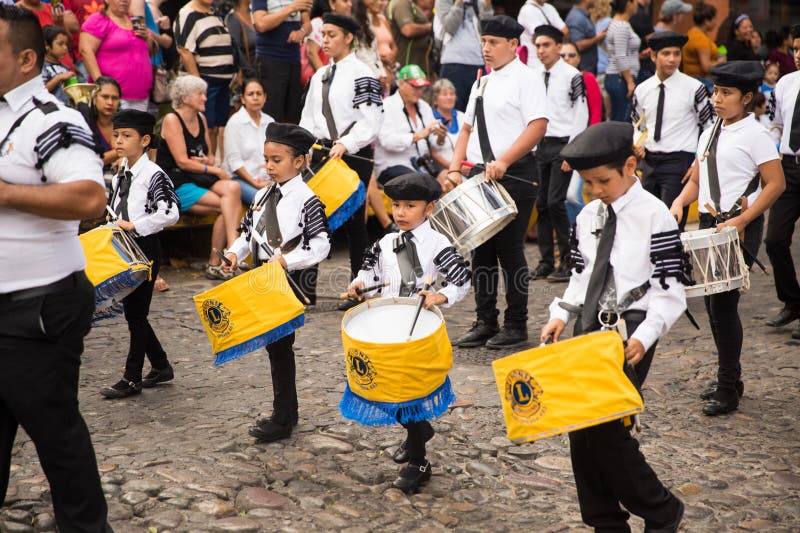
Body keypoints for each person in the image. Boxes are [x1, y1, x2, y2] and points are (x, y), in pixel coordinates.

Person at [541, 120, 688, 533]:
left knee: (608, 431)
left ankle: (661, 510)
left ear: (629, 166)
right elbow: (580, 275)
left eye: (603, 181)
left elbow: (670, 289)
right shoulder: (588, 214)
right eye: (588, 183)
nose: (596, 191)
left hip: (632, 329)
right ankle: (604, 521)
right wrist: (560, 313)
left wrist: (644, 336)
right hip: (587, 325)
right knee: (579, 428)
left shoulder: (655, 214)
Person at [0, 6, 110, 530]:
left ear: (25, 58)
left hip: (37, 306)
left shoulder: (54, 119)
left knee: (55, 432)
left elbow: (90, 196)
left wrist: (5, 194)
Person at [670, 61, 785, 415]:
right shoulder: (710, 132)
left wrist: (743, 220)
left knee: (723, 304)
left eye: (726, 93)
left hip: (739, 226)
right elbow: (696, 179)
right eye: (716, 91)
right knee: (711, 304)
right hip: (708, 223)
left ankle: (727, 386)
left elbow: (776, 184)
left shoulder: (756, 135)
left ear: (747, 98)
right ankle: (730, 378)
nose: (717, 99)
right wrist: (678, 203)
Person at [345, 172, 471, 494]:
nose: (400, 213)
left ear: (428, 209)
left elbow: (462, 279)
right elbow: (368, 270)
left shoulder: (438, 244)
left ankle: (420, 461)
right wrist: (359, 284)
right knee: (389, 388)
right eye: (395, 205)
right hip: (389, 326)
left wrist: (440, 295)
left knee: (411, 393)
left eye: (409, 206)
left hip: (418, 331)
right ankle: (420, 430)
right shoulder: (385, 242)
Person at [224, 123, 331, 442]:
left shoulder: (307, 198)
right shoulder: (261, 193)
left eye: (276, 160)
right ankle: (287, 412)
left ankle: (283, 418)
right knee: (274, 347)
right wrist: (233, 253)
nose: (268, 166)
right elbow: (248, 234)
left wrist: (288, 260)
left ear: (299, 161)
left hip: (289, 278)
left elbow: (321, 243)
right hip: (261, 276)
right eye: (266, 159)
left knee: (281, 346)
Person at [448, 15, 547, 349]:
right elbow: (466, 129)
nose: (486, 48)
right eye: (483, 42)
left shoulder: (527, 78)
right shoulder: (481, 82)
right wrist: (453, 167)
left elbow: (537, 126)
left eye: (492, 42)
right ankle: (485, 321)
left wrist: (505, 160)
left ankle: (516, 325)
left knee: (509, 250)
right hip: (481, 175)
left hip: (516, 173)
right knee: (481, 251)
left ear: (512, 45)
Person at [299, 13, 383, 309]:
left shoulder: (363, 72)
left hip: (354, 154)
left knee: (354, 223)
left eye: (332, 34)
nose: (325, 40)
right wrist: (305, 145)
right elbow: (308, 118)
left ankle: (358, 287)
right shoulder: (320, 74)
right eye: (323, 35)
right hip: (321, 154)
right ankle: (303, 291)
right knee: (312, 218)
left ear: (348, 37)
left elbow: (371, 121)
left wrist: (346, 143)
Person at [99, 110, 179, 399]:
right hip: (122, 248)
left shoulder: (153, 174)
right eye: (116, 135)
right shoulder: (121, 170)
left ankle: (131, 377)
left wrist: (136, 225)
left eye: (126, 136)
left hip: (144, 249)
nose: (119, 140)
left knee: (136, 314)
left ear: (145, 140)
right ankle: (160, 365)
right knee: (135, 314)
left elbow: (170, 212)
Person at [156, 75, 242, 280]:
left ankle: (223, 256)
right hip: (177, 181)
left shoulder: (201, 119)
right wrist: (214, 170)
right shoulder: (172, 119)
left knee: (233, 190)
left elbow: (210, 156)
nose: (205, 98)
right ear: (184, 98)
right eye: (200, 94)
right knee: (227, 205)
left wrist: (207, 161)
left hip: (198, 176)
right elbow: (182, 161)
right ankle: (231, 253)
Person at [631, 31, 714, 230]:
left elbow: (709, 128)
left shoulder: (694, 88)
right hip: (649, 162)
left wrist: (697, 163)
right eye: (666, 53)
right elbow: (637, 124)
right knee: (647, 225)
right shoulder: (642, 89)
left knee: (671, 226)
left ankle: (675, 261)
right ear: (653, 56)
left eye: (677, 53)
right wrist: (637, 144)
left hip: (679, 163)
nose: (672, 59)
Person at [530, 25, 588, 283]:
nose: (541, 50)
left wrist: (572, 152)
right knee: (541, 203)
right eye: (538, 45)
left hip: (563, 144)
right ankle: (545, 261)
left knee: (556, 201)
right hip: (541, 144)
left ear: (558, 46)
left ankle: (568, 259)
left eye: (546, 45)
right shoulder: (534, 76)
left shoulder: (572, 75)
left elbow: (581, 114)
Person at [765, 26, 800, 340]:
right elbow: (775, 125)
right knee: (774, 239)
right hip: (789, 168)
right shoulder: (785, 84)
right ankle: (792, 301)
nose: (799, 56)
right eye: (796, 49)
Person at [174, 0, 239, 161]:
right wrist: (199, 86)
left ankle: (211, 163)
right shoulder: (187, 13)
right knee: (206, 126)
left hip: (222, 84)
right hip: (204, 82)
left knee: (216, 127)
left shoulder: (214, 12)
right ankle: (203, 166)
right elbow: (185, 51)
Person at [374, 65, 446, 187]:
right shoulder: (386, 106)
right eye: (414, 86)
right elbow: (387, 141)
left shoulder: (423, 106)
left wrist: (440, 138)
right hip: (391, 165)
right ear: (401, 83)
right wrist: (418, 136)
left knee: (448, 178)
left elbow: (433, 141)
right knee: (419, 184)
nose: (419, 91)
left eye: (421, 87)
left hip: (421, 165)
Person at [79, 0, 154, 110]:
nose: (124, 1)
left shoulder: (134, 21)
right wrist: (101, 84)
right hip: (111, 96)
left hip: (140, 95)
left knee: (137, 127)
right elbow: (85, 51)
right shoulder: (98, 20)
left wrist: (147, 38)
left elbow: (149, 52)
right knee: (115, 127)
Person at [559, 41, 602, 222]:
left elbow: (596, 114)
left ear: (579, 58)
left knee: (572, 195)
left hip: (583, 145)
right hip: (559, 145)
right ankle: (573, 236)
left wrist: (586, 146)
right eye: (563, 56)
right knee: (562, 198)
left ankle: (592, 227)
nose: (567, 59)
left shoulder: (587, 78)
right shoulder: (555, 80)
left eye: (571, 55)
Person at [252, 0, 312, 123]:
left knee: (294, 114)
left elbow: (308, 25)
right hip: (270, 60)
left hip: (294, 61)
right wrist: (290, 8)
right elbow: (261, 24)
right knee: (272, 115)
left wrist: (301, 32)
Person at [223, 78, 275, 205]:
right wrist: (256, 184)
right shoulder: (235, 123)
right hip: (239, 180)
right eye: (250, 94)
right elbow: (234, 163)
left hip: (266, 178)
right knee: (265, 202)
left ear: (265, 97)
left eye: (259, 93)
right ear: (242, 99)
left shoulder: (270, 121)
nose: (255, 97)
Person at [435, 0, 492, 111]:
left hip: (478, 63)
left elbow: (488, 30)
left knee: (479, 112)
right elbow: (449, 26)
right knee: (451, 110)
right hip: (452, 63)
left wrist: (487, 6)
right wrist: (459, 3)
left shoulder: (478, 1)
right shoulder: (443, 1)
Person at [76, 76, 121, 174]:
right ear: (94, 98)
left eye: (115, 98)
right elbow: (89, 161)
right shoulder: (84, 124)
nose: (110, 102)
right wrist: (122, 152)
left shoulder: (125, 124)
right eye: (105, 97)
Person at [605, 0, 639, 122]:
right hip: (621, 78)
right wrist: (630, 81)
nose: (637, 5)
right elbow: (620, 56)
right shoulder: (621, 26)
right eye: (635, 2)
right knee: (622, 119)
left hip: (620, 77)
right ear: (628, 4)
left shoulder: (622, 23)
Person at [682, 1, 723, 94]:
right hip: (702, 82)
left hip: (692, 80)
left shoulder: (692, 33)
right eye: (715, 19)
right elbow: (706, 67)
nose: (716, 23)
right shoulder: (700, 39)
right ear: (707, 21)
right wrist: (720, 62)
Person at [516, 0, 566, 71]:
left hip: (553, 63)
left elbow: (566, 32)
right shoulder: (527, 10)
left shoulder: (549, 7)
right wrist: (556, 37)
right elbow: (539, 38)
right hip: (534, 64)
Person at [389, 0, 433, 75]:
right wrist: (431, 27)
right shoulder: (401, 2)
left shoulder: (411, 3)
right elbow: (408, 29)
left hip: (418, 68)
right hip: (408, 70)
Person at [431, 77, 466, 168]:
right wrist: (454, 168)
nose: (449, 97)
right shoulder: (429, 117)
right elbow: (432, 152)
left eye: (452, 94)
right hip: (441, 169)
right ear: (435, 99)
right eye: (444, 94)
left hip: (464, 166)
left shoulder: (462, 116)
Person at [565, 0, 605, 75]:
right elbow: (577, 45)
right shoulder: (576, 17)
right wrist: (597, 38)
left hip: (589, 69)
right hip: (583, 71)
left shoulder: (583, 15)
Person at [41, 24, 75, 104]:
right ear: (46, 45)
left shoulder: (65, 68)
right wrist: (58, 78)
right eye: (60, 44)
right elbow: (41, 91)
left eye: (66, 44)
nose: (65, 48)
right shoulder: (41, 67)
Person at [226, 0, 258, 78]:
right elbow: (235, 49)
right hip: (250, 76)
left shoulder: (256, 14)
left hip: (267, 71)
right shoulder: (233, 19)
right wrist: (250, 73)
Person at [628, 0, 653, 82]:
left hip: (636, 65)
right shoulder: (639, 14)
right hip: (642, 67)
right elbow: (653, 41)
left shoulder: (637, 14)